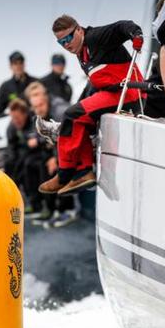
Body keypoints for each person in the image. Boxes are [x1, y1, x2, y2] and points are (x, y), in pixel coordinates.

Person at [39, 14, 145, 195]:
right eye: (61, 42)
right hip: (114, 94)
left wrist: (137, 36)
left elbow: (122, 26)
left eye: (69, 38)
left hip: (129, 94)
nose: (66, 45)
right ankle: (83, 171)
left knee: (72, 115)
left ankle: (64, 174)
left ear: (79, 29)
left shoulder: (95, 37)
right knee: (78, 118)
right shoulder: (80, 51)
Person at [25, 81, 78, 227]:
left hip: (79, 147)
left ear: (45, 97)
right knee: (37, 163)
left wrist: (55, 158)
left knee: (57, 166)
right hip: (61, 148)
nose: (37, 110)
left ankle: (68, 209)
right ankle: (52, 208)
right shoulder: (42, 109)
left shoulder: (60, 110)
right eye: (34, 106)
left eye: (39, 105)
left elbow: (68, 138)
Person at [5, 98, 52, 217]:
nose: (15, 121)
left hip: (41, 153)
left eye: (17, 117)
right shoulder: (12, 126)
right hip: (25, 154)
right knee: (12, 165)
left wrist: (37, 140)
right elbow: (11, 147)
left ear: (24, 113)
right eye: (13, 118)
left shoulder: (35, 120)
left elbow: (46, 136)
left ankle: (46, 205)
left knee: (30, 165)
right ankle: (31, 203)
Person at [0, 52, 38, 123]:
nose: (18, 66)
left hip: (35, 121)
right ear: (10, 66)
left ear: (24, 64)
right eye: (15, 63)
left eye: (20, 63)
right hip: (18, 125)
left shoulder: (35, 83)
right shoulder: (5, 87)